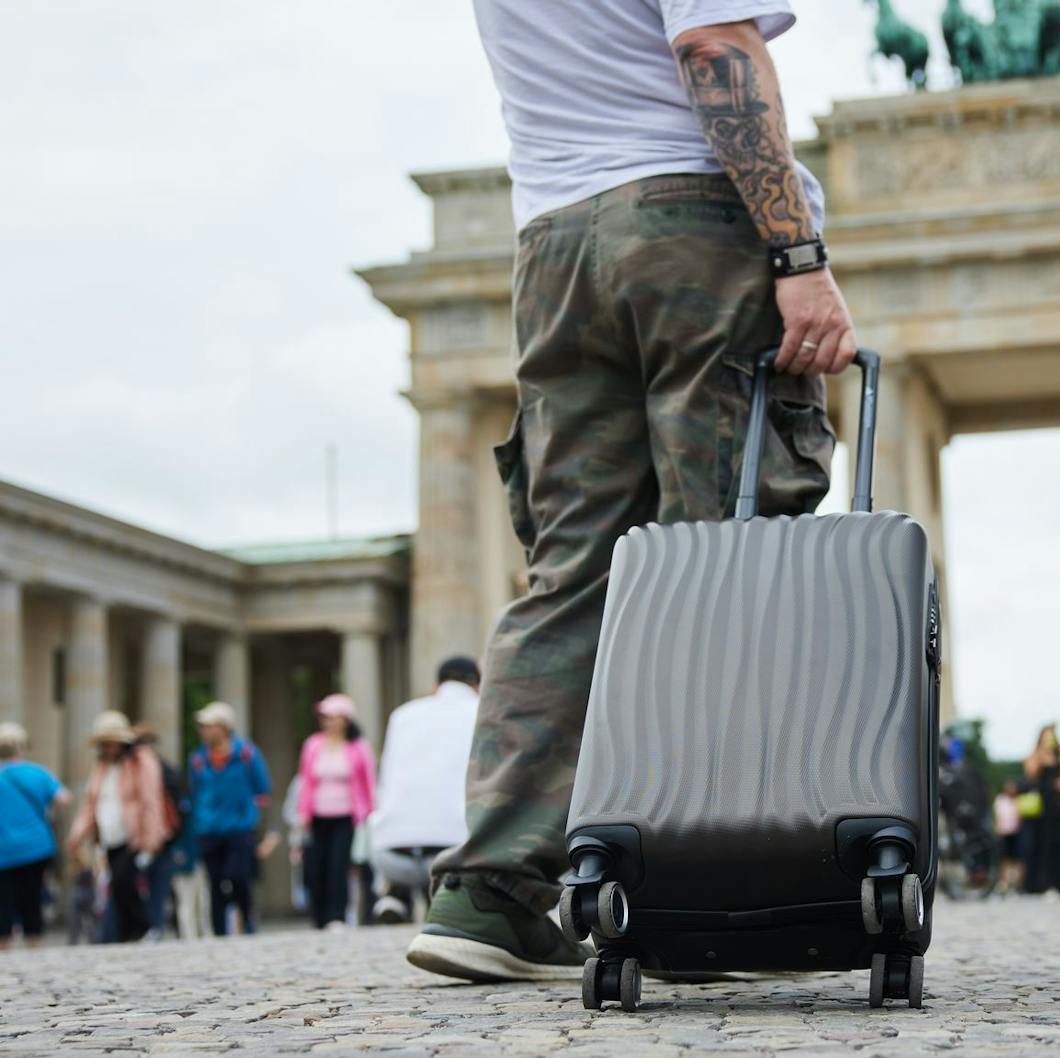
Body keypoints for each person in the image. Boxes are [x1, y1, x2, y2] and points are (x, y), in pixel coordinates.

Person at [409, 0, 855, 983]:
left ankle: (490, 888)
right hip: (693, 220)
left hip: (554, 244)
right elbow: (713, 47)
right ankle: (696, 886)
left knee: (571, 566)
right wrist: (796, 254)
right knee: (727, 555)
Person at [369, 657, 481, 925]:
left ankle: (392, 893)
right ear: (477, 685)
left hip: (390, 855)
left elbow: (385, 780)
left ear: (435, 685)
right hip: (454, 855)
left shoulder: (402, 715)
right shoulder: (482, 711)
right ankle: (451, 903)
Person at [67, 711, 170, 943]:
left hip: (133, 836)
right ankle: (128, 934)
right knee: (118, 887)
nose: (108, 747)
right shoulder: (101, 767)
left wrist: (151, 840)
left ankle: (144, 928)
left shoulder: (141, 761)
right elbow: (90, 804)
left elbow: (150, 800)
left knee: (126, 882)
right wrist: (76, 836)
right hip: (109, 836)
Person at [189, 701, 272, 936]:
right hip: (208, 829)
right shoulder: (197, 759)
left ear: (223, 727)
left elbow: (262, 787)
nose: (203, 731)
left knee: (238, 876)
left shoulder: (246, 754)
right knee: (214, 882)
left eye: (208, 725)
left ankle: (246, 919)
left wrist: (251, 814)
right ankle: (218, 930)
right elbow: (196, 791)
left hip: (239, 828)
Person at [296, 695, 376, 930]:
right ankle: (318, 915)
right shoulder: (313, 745)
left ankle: (336, 915)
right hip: (317, 816)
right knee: (315, 866)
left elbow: (368, 783)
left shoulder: (358, 748)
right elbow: (306, 781)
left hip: (346, 815)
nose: (328, 722)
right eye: (325, 717)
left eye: (333, 717)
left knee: (338, 866)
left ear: (345, 720)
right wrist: (303, 814)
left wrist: (370, 815)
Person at [0, 722, 68, 949]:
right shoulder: (37, 772)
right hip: (36, 846)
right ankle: (33, 941)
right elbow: (63, 799)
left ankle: (4, 943)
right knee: (33, 894)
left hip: (3, 849)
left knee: (4, 898)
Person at [132, 725, 187, 940]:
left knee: (153, 884)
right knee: (156, 885)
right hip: (162, 837)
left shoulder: (153, 768)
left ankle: (152, 926)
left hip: (154, 837)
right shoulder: (167, 767)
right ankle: (153, 926)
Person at [1021, 725, 1060, 895]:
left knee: (1058, 842)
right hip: (1040, 805)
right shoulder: (1035, 756)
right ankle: (1040, 883)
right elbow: (1030, 774)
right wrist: (1041, 757)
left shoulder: (1056, 756)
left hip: (1056, 804)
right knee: (1040, 842)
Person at [991, 781, 1022, 894]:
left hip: (1015, 833)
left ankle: (1017, 882)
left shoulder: (1018, 800)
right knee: (1003, 859)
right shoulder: (1000, 800)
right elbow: (997, 816)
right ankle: (1004, 882)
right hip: (1003, 833)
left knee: (1017, 859)